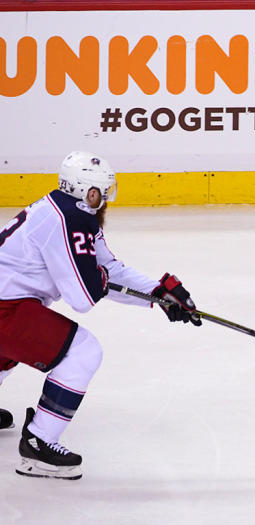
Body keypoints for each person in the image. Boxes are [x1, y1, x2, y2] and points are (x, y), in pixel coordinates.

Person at [0, 151, 202, 479]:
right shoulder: (71, 218)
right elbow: (83, 295)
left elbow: (105, 267)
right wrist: (100, 280)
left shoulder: (64, 209)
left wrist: (158, 292)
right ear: (89, 192)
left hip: (8, 304)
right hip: (5, 309)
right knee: (81, 351)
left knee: (14, 342)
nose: (106, 199)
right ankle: (39, 443)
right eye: (104, 192)